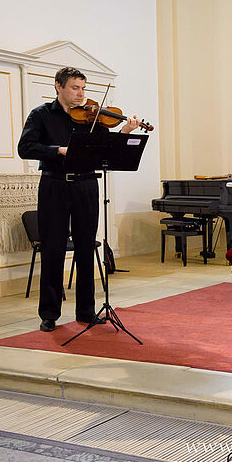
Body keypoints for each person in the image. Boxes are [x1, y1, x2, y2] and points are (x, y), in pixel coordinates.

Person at [18, 67, 140, 332]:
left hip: (86, 185)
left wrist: (125, 133)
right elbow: (25, 148)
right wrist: (57, 150)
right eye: (75, 88)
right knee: (53, 248)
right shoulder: (41, 115)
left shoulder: (91, 118)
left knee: (86, 248)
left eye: (83, 88)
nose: (81, 94)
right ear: (58, 87)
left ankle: (85, 311)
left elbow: (105, 150)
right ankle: (49, 314)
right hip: (54, 185)